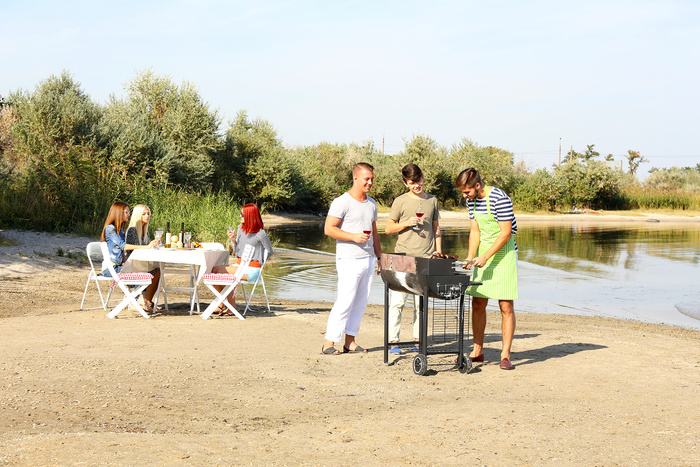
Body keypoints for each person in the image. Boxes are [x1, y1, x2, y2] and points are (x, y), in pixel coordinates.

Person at [456, 168, 518, 370]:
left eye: (466, 192)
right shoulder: (470, 201)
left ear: (477, 185)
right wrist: (470, 256)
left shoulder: (499, 198)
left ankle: (505, 355)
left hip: (503, 254)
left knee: (505, 306)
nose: (464, 196)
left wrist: (485, 256)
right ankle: (477, 351)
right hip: (483, 252)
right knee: (478, 303)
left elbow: (505, 233)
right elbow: (475, 231)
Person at [322, 162, 383, 355]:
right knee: (345, 301)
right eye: (367, 179)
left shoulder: (371, 203)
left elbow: (374, 232)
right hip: (348, 260)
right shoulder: (342, 201)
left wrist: (380, 257)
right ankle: (328, 343)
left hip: (368, 260)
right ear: (356, 178)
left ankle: (350, 342)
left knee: (361, 302)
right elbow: (329, 229)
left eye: (372, 179)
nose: (370, 182)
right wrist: (353, 237)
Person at [384, 163, 442, 354]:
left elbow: (436, 230)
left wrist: (438, 253)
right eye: (412, 183)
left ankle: (419, 341)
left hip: (425, 259)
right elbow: (388, 229)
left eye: (419, 181)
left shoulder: (432, 200)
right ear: (405, 183)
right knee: (397, 303)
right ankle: (393, 342)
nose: (417, 185)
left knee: (421, 304)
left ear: (423, 177)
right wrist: (406, 223)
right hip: (402, 259)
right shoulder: (400, 201)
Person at [210, 203, 274, 316]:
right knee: (214, 269)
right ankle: (223, 304)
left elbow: (270, 251)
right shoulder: (240, 229)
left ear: (249, 216)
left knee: (221, 272)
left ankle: (229, 307)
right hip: (240, 265)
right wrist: (233, 241)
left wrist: (260, 263)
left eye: (242, 214)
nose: (240, 216)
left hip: (252, 270)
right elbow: (237, 252)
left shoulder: (260, 234)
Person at [125, 204, 161, 311]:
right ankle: (140, 299)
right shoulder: (133, 230)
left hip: (141, 264)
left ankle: (147, 300)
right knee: (153, 270)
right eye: (144, 214)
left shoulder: (145, 231)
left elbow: (147, 248)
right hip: (133, 266)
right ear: (138, 215)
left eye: (148, 213)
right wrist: (148, 246)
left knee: (158, 270)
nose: (147, 216)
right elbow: (137, 251)